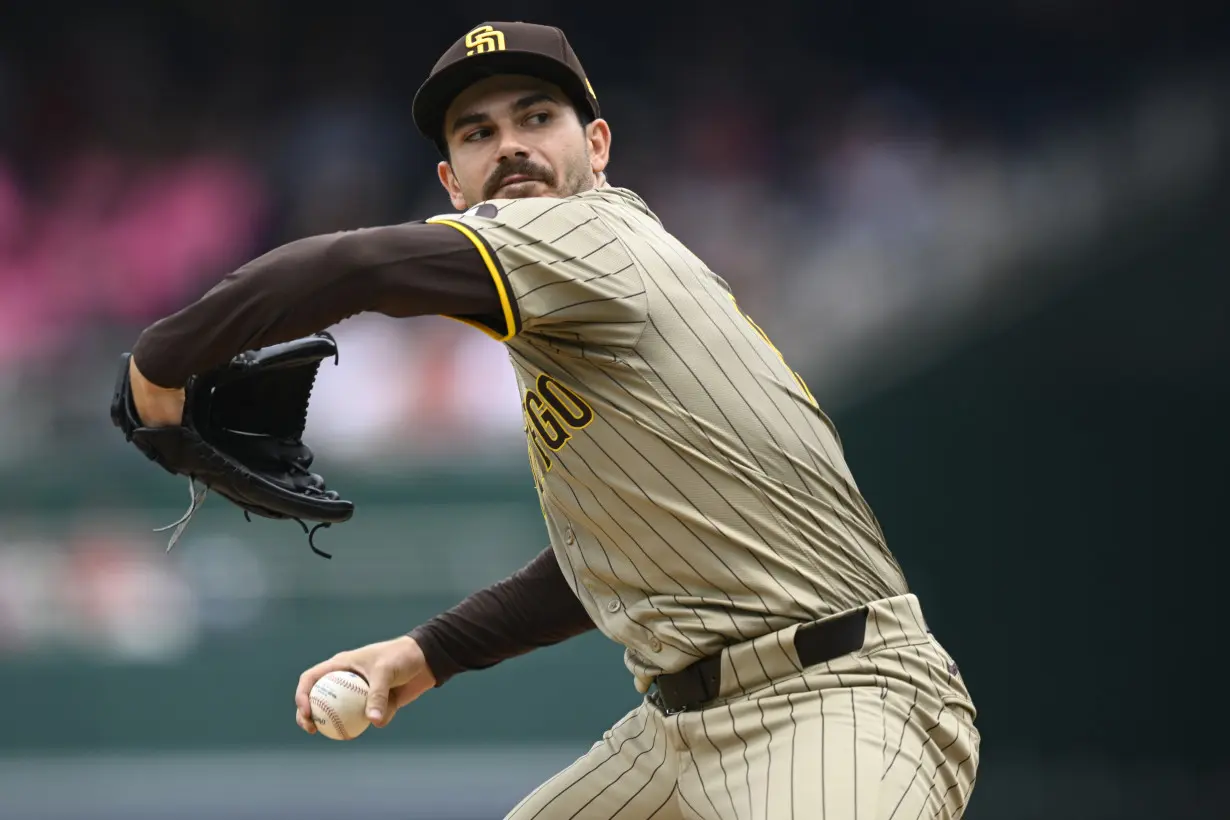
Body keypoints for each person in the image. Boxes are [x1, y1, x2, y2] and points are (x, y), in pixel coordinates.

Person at [123, 21, 980, 819]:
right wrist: (427, 654)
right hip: (680, 732)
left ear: (596, 147)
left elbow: (357, 265)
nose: (513, 146)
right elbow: (616, 554)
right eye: (478, 133)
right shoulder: (566, 328)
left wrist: (158, 362)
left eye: (538, 116)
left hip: (840, 700)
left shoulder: (593, 237)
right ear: (452, 184)